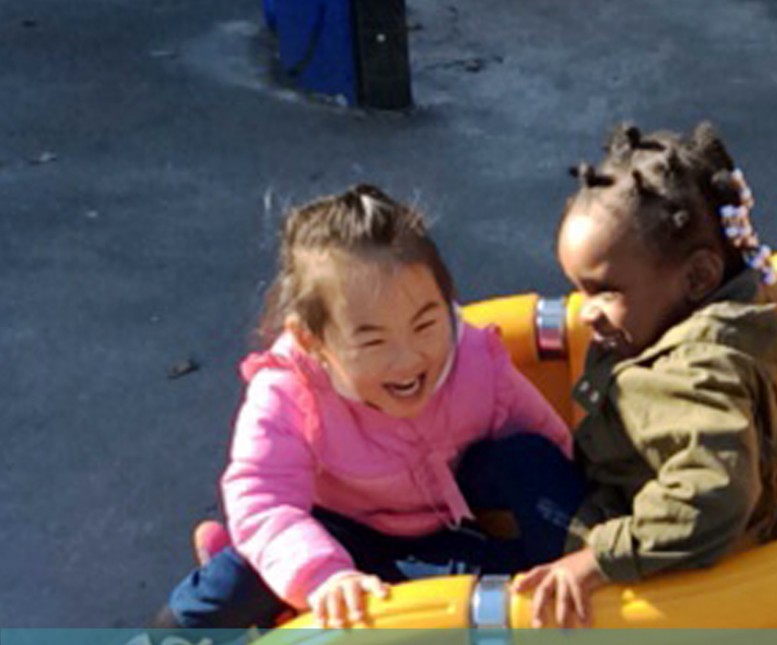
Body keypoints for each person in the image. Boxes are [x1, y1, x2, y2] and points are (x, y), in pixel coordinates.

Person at [153, 184, 582, 629]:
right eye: (373, 340)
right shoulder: (288, 390)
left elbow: (550, 446)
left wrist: (592, 527)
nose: (410, 357)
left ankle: (591, 571)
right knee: (233, 584)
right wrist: (324, 577)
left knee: (527, 463)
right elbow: (263, 499)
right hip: (324, 533)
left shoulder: (475, 357)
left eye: (426, 324)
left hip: (436, 532)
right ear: (311, 340)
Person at [515, 123, 777, 627]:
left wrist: (597, 557)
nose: (586, 313)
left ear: (697, 278)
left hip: (678, 577)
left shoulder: (690, 376)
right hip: (741, 532)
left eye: (605, 291)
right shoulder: (765, 309)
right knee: (505, 463)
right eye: (579, 292)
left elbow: (714, 497)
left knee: (514, 479)